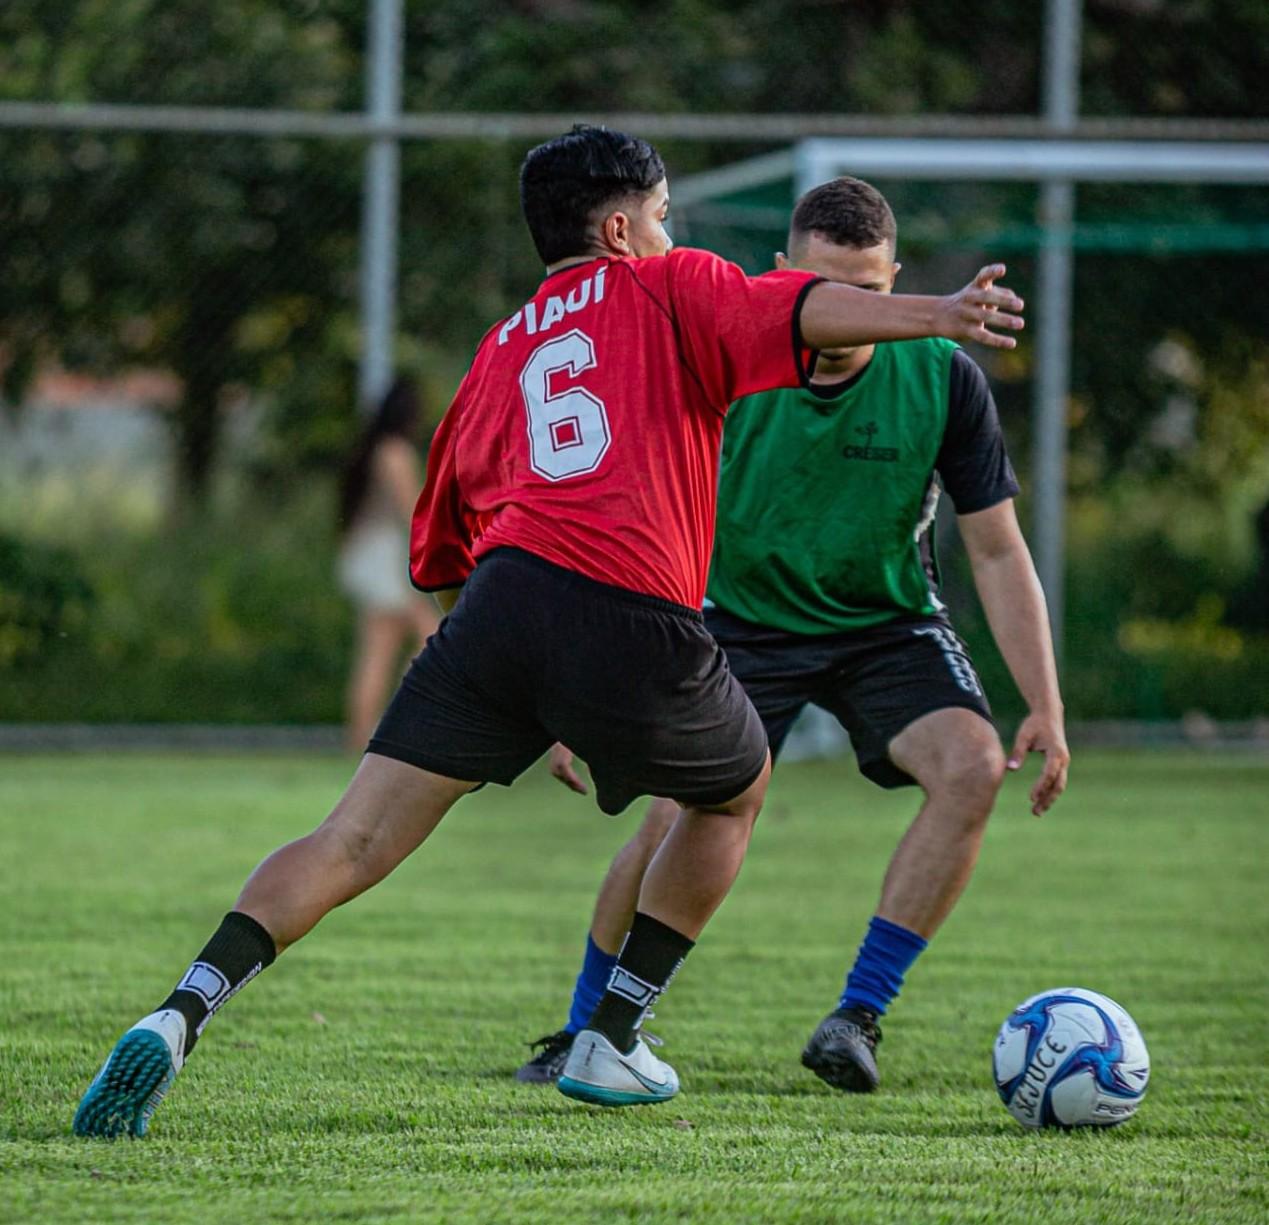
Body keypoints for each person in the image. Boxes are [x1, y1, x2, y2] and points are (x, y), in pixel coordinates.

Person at [72, 127, 1025, 1138]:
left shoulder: (505, 345)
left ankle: (180, 1011)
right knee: (736, 788)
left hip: (497, 606)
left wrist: (525, 686)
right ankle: (612, 1038)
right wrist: (940, 313)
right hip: (631, 603)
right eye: (660, 216)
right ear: (619, 229)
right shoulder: (673, 287)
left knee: (348, 838)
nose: (672, 232)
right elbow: (800, 307)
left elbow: (438, 551)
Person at [516, 176, 1067, 1094]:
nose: (847, 315)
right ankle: (587, 1029)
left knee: (970, 765)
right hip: (731, 623)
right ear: (780, 277)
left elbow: (998, 552)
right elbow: (620, 515)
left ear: (894, 283)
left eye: (869, 293)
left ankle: (856, 1017)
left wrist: (1044, 703)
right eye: (826, 290)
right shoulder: (719, 359)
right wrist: (579, 685)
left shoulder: (941, 377)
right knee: (669, 816)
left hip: (883, 623)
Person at [337, 377, 441, 750]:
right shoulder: (395, 453)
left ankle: (369, 734)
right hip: (384, 559)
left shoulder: (374, 450)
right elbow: (413, 513)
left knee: (387, 647)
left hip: (370, 555)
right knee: (420, 640)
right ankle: (380, 733)